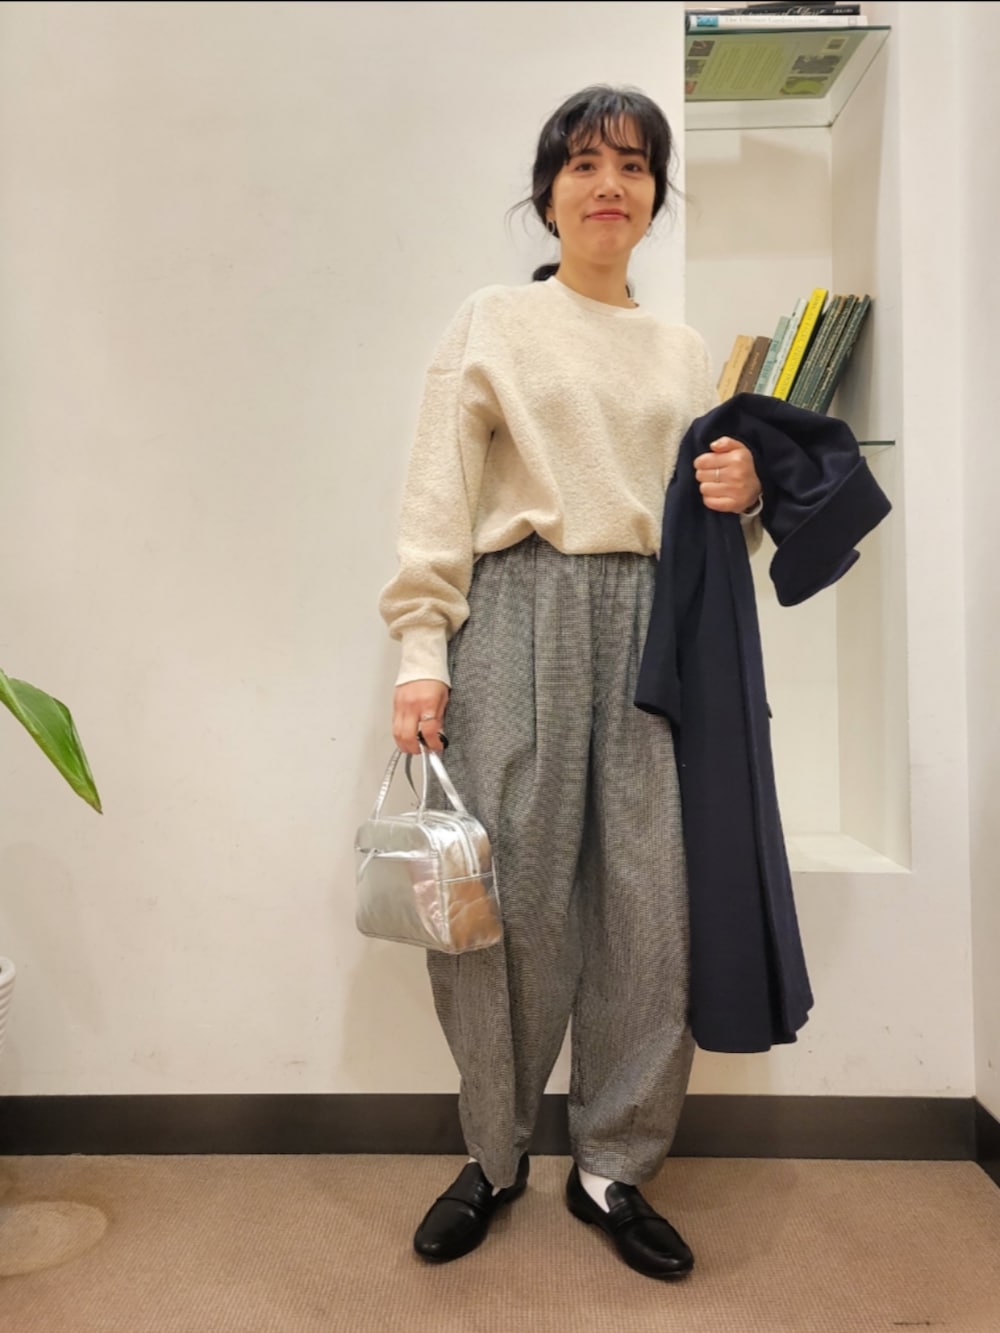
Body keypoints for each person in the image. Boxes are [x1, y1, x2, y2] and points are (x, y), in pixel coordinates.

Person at [378, 85, 762, 1281]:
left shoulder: (683, 350)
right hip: (520, 611)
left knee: (652, 903)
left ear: (654, 197)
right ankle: (492, 1152)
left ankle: (612, 1164)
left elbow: (705, 527)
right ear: (548, 194)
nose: (609, 184)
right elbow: (436, 497)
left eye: (633, 166)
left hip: (654, 624)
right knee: (503, 899)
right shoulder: (494, 321)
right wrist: (420, 653)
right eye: (585, 163)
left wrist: (744, 495)